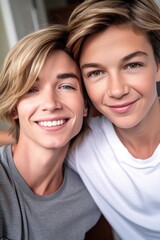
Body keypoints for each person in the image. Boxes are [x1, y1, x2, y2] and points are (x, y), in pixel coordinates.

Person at [65, 0, 160, 239]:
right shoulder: (80, 144)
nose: (117, 90)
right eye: (96, 73)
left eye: (132, 65)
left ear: (158, 66)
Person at [0, 25, 103, 240]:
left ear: (84, 105)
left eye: (66, 86)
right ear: (13, 108)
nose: (50, 104)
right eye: (31, 89)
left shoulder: (93, 194)